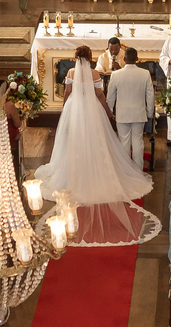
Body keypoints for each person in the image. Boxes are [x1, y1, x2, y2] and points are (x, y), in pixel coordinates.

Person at [36, 46, 153, 208]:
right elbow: (99, 95)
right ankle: (95, 169)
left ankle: (76, 171)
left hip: (74, 108)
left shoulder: (71, 73)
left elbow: (67, 92)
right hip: (92, 109)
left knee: (74, 139)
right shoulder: (94, 74)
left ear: (76, 58)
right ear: (90, 57)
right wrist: (107, 111)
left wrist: (66, 109)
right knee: (95, 138)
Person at [106, 47, 155, 170]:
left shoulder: (116, 74)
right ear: (137, 59)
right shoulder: (145, 74)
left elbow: (110, 96)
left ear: (124, 58)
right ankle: (138, 170)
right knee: (138, 141)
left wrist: (109, 111)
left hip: (122, 114)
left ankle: (126, 170)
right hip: (139, 113)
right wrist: (150, 111)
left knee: (124, 141)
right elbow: (150, 94)